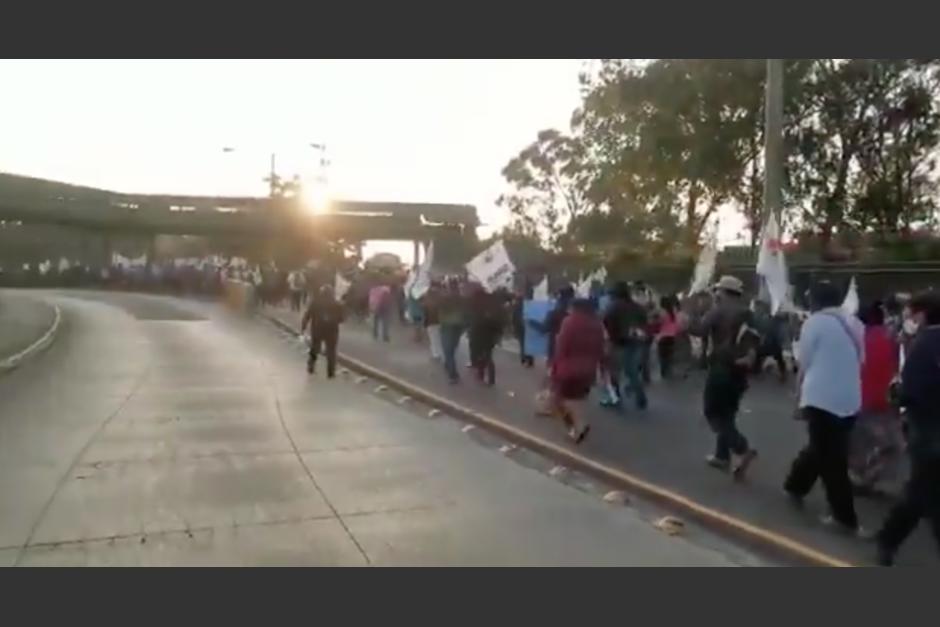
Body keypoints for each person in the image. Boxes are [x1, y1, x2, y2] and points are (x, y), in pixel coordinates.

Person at [784, 280, 867, 536]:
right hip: (850, 399)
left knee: (832, 459)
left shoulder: (814, 323)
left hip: (821, 398)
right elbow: (861, 360)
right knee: (823, 448)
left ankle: (844, 517)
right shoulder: (855, 324)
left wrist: (798, 397)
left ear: (815, 301)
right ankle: (795, 485)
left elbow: (804, 364)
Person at [875, 290, 940, 566]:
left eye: (912, 312)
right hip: (930, 431)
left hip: (927, 429)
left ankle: (887, 540)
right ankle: (887, 540)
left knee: (923, 492)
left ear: (922, 315)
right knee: (926, 492)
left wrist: (897, 395)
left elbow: (909, 391)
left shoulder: (925, 345)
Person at [689, 275, 760, 478]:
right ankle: (722, 456)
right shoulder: (748, 313)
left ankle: (742, 448)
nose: (716, 294)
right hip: (740, 372)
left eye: (718, 291)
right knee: (727, 413)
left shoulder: (718, 311)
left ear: (724, 292)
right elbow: (755, 341)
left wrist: (690, 316)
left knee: (713, 413)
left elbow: (699, 330)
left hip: (722, 368)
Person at [849, 302, 902, 493]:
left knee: (857, 443)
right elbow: (896, 368)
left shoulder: (855, 338)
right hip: (883, 401)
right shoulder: (891, 338)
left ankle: (857, 476)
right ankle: (869, 475)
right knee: (892, 445)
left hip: (857, 399)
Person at [550, 297, 606, 443]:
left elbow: (561, 347)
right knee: (577, 398)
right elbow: (601, 349)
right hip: (588, 370)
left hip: (568, 369)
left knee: (558, 400)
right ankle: (575, 428)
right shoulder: (597, 324)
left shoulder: (569, 322)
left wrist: (553, 368)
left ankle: (578, 426)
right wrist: (601, 369)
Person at [602, 281, 649, 411]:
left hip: (618, 342)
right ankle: (640, 397)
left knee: (613, 372)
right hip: (636, 341)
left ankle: (615, 397)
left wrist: (610, 338)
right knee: (632, 371)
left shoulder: (613, 307)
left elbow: (607, 322)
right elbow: (645, 322)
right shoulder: (637, 307)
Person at [300, 284, 345, 378]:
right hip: (332, 330)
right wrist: (332, 319)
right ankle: (331, 372)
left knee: (315, 348)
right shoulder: (337, 304)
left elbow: (307, 315)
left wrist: (303, 327)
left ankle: (311, 366)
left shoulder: (315, 303)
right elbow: (342, 319)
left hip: (317, 329)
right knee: (331, 351)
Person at [467, 287, 505, 386]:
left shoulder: (475, 305)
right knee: (488, 356)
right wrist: (498, 333)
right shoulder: (493, 305)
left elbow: (472, 320)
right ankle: (491, 379)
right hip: (490, 335)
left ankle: (481, 375)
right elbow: (499, 321)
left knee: (480, 355)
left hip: (478, 334)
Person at [438, 278, 466, 384]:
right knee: (453, 347)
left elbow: (438, 307)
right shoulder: (462, 298)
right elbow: (466, 312)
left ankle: (453, 374)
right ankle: (448, 364)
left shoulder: (445, 298)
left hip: (447, 325)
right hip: (458, 325)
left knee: (447, 349)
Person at [656, 295, 681, 380]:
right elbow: (676, 324)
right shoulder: (672, 312)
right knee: (669, 355)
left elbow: (658, 323)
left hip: (663, 336)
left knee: (662, 356)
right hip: (672, 336)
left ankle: (664, 372)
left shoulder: (662, 312)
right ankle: (669, 371)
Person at [422, 282, 443, 361]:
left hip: (431, 321)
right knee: (439, 338)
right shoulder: (442, 296)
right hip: (441, 321)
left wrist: (425, 323)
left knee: (433, 339)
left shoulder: (427, 297)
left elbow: (425, 311)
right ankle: (440, 353)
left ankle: (436, 354)